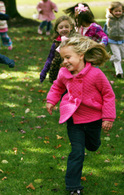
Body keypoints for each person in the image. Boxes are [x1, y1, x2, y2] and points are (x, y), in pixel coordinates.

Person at [46, 36, 116, 195]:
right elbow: (57, 87)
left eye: (68, 57)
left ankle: (93, 142)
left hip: (94, 119)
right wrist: (51, 101)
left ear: (81, 55)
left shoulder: (96, 74)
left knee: (93, 145)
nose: (65, 61)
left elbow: (108, 95)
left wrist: (108, 118)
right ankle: (74, 187)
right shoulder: (64, 73)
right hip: (74, 119)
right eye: (63, 58)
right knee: (77, 152)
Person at [40, 15, 76, 83]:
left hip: (72, 72)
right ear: (57, 29)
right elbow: (50, 58)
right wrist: (44, 71)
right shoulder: (56, 43)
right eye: (61, 27)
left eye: (66, 27)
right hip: (57, 73)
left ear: (71, 27)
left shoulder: (75, 41)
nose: (64, 29)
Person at [103, 1, 124, 78]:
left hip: (122, 40)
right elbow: (105, 30)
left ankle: (111, 58)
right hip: (112, 41)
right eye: (116, 11)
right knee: (118, 58)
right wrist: (104, 39)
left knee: (121, 55)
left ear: (122, 11)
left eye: (119, 11)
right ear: (111, 11)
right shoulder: (109, 20)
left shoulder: (123, 19)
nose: (118, 13)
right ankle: (119, 72)